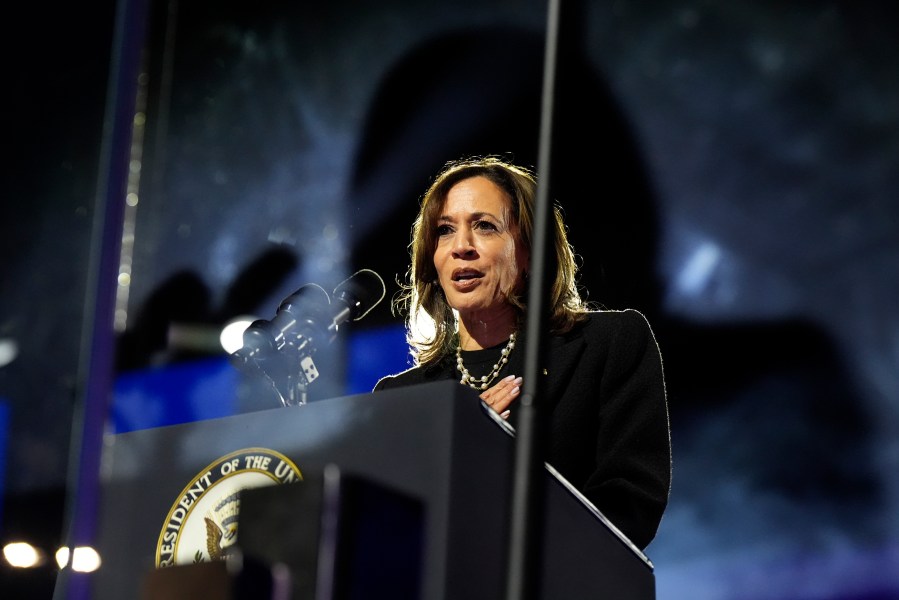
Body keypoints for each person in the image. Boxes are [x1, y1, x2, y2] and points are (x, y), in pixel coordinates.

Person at [373, 155, 671, 551]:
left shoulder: (608, 345)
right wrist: (459, 454)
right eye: (445, 231)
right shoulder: (401, 398)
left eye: (484, 226)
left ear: (530, 251)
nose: (461, 247)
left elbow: (629, 508)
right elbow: (389, 536)